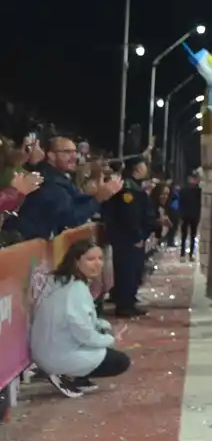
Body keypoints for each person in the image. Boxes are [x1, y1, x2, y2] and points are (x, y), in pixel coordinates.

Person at [30, 238, 131, 397]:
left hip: (48, 349)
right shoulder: (76, 289)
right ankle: (66, 374)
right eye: (91, 259)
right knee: (120, 361)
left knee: (103, 334)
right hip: (55, 354)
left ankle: (75, 375)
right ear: (77, 262)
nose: (97, 264)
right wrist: (111, 338)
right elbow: (83, 333)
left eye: (100, 258)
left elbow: (84, 322)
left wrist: (104, 328)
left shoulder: (66, 281)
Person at [102, 157, 154, 319]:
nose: (147, 168)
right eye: (144, 165)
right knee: (128, 270)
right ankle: (125, 305)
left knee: (133, 270)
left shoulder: (134, 186)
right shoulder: (128, 189)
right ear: (137, 168)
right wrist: (137, 235)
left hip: (128, 237)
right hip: (127, 239)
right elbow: (129, 215)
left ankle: (128, 300)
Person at [178, 172, 202, 259]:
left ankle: (191, 254)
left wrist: (198, 215)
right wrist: (180, 215)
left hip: (194, 215)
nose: (193, 180)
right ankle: (182, 254)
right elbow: (180, 203)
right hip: (185, 215)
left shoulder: (199, 191)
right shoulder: (183, 190)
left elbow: (199, 204)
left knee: (193, 235)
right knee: (184, 235)